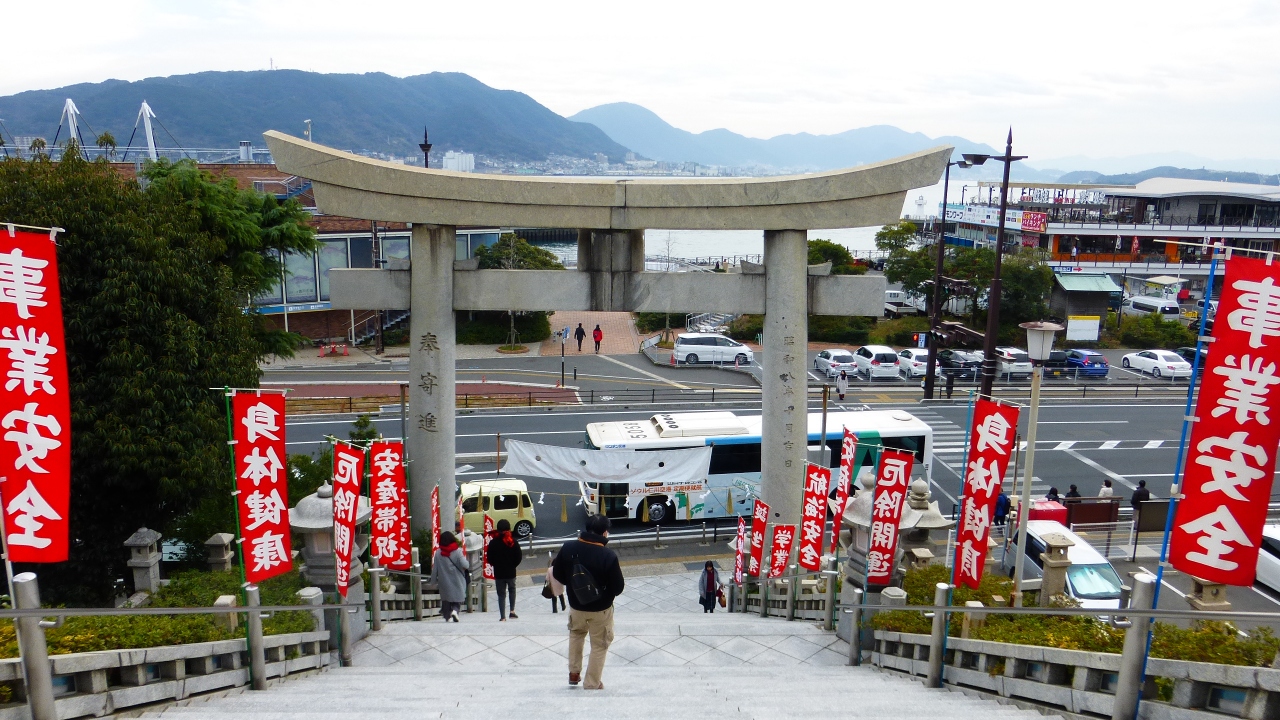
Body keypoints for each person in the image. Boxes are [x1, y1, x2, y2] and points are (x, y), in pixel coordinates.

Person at [551, 514, 625, 690]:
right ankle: (592, 682)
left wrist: (574, 585)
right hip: (600, 608)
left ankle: (574, 672)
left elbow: (558, 574)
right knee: (599, 644)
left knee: (576, 635)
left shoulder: (568, 547)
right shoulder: (608, 555)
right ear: (605, 532)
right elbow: (618, 587)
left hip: (576, 605)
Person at [427, 531, 468, 622]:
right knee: (458, 597)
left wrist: (433, 581)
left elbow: (435, 568)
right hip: (457, 579)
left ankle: (447, 616)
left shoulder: (438, 553)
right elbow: (465, 564)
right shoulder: (458, 551)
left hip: (444, 580)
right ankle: (455, 611)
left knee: (446, 598)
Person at [487, 519, 523, 621]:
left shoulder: (493, 543)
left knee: (501, 594)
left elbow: (489, 558)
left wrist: (496, 565)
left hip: (499, 572)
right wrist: (513, 565)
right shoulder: (513, 542)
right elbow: (519, 557)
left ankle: (502, 616)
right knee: (512, 590)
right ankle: (512, 611)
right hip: (511, 571)